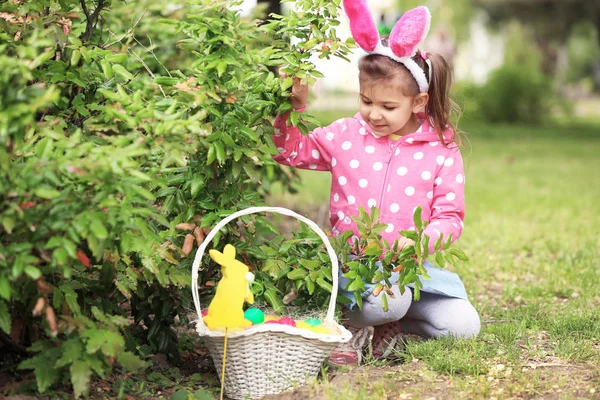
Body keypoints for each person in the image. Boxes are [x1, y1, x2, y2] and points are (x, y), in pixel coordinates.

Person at [271, 2, 480, 366]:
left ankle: (389, 324)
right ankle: (347, 326)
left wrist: (413, 244)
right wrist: (292, 109)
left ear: (418, 102)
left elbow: (450, 218)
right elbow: (289, 152)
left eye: (387, 105)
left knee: (463, 326)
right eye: (366, 100)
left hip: (410, 271)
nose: (373, 114)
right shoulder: (346, 135)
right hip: (356, 269)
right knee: (390, 299)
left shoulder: (442, 151)